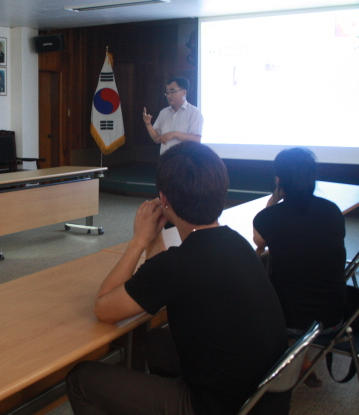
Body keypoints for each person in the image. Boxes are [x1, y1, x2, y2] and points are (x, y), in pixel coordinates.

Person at [66, 141, 289, 415]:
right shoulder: (236, 242)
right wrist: (154, 237)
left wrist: (138, 242)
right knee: (156, 343)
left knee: (81, 379)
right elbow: (161, 278)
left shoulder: (179, 264)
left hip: (218, 407)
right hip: (263, 399)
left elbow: (104, 308)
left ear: (164, 199)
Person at [253, 147, 346, 386]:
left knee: (246, 292)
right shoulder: (333, 211)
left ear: (278, 179)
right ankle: (303, 360)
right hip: (334, 317)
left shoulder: (269, 217)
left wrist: (272, 201)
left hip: (289, 321)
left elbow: (259, 242)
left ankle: (285, 357)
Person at [143, 77, 203, 154]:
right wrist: (148, 124)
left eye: (172, 92)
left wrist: (175, 134)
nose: (169, 96)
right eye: (167, 93)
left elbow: (196, 139)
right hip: (165, 159)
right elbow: (157, 139)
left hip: (184, 159)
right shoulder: (163, 113)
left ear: (184, 92)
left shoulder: (194, 112)